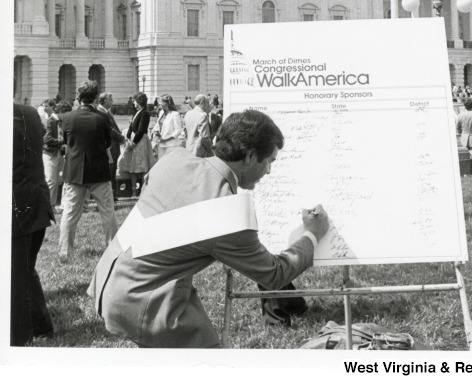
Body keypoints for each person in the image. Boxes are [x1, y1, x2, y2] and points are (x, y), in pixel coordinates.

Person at [88, 109, 329, 348]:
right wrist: (312, 234)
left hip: (109, 279)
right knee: (210, 363)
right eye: (269, 162)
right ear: (250, 156)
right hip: (141, 302)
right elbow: (275, 274)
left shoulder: (175, 158)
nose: (269, 171)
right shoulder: (227, 211)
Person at [58, 80, 118, 262]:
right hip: (99, 171)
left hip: (75, 171)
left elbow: (66, 141)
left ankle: (64, 253)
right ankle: (113, 251)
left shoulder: (67, 118)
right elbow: (108, 142)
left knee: (69, 213)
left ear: (79, 96)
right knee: (107, 212)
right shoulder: (102, 118)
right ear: (94, 97)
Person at [12, 103, 55, 346]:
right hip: (35, 202)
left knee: (14, 275)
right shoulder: (28, 112)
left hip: (18, 206)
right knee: (24, 269)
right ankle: (39, 324)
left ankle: (17, 339)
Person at [123, 92, 155, 196]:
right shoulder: (137, 112)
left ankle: (143, 190)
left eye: (135, 101)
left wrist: (133, 142)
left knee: (142, 166)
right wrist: (127, 138)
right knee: (132, 167)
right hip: (134, 139)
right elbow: (131, 127)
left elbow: (141, 130)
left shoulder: (144, 113)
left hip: (140, 141)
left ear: (140, 102)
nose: (133, 103)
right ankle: (134, 190)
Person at [97, 92, 126, 201]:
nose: (112, 101)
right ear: (104, 101)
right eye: (110, 99)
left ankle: (112, 195)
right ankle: (109, 196)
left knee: (112, 171)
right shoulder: (101, 112)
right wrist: (122, 138)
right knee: (109, 171)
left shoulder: (105, 111)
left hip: (113, 145)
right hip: (108, 146)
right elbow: (110, 130)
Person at [42, 99, 64, 206]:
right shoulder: (51, 120)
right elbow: (47, 139)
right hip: (50, 153)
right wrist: (60, 142)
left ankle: (51, 205)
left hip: (54, 153)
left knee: (53, 181)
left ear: (52, 107)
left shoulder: (53, 119)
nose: (44, 108)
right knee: (51, 181)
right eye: (43, 106)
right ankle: (48, 206)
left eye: (46, 106)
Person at [151, 94, 184, 159]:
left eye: (161, 102)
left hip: (171, 144)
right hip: (161, 143)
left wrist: (166, 139)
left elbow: (178, 131)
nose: (159, 104)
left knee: (170, 164)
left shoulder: (175, 114)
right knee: (161, 163)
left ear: (167, 103)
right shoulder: (161, 113)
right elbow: (158, 125)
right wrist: (156, 131)